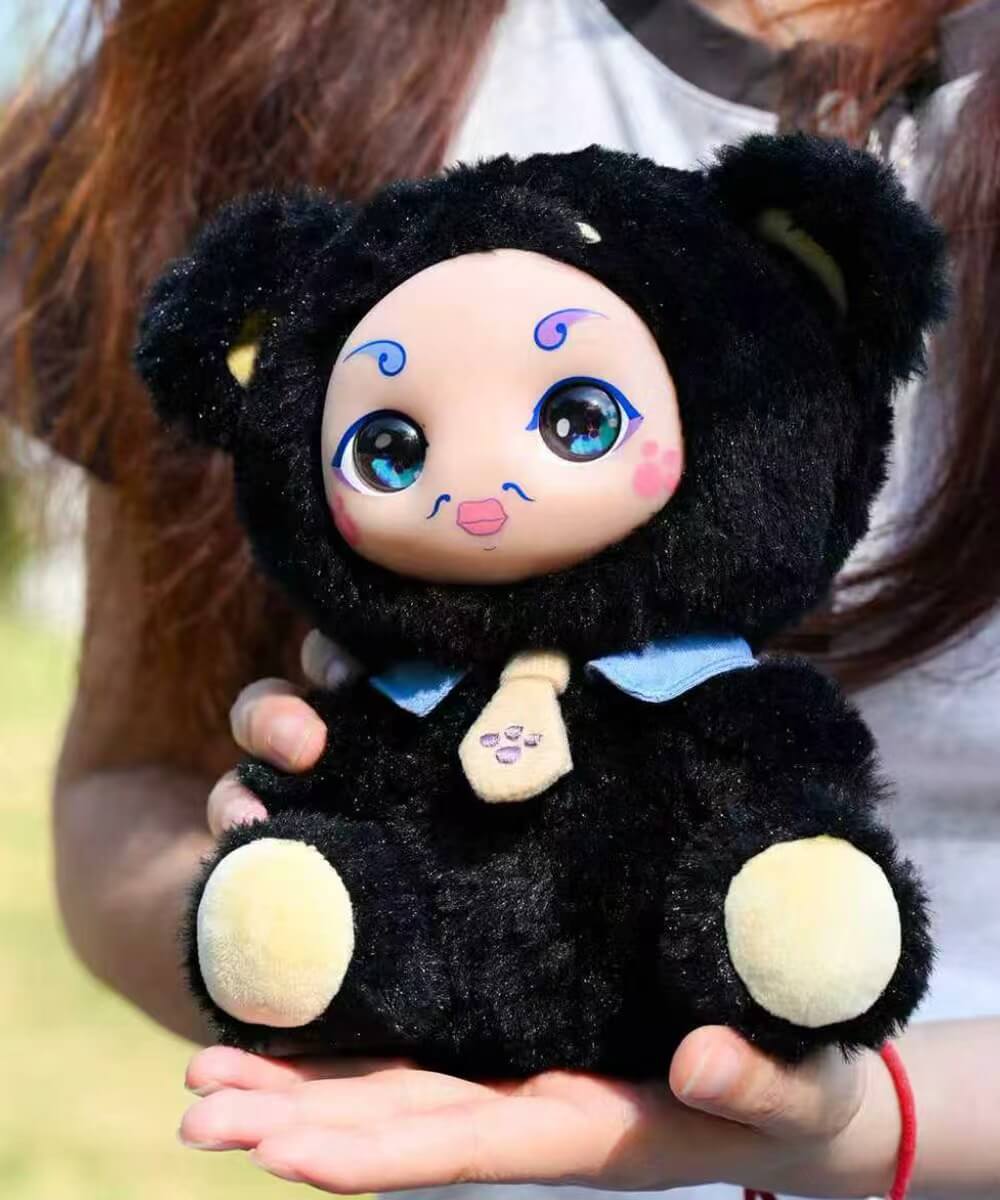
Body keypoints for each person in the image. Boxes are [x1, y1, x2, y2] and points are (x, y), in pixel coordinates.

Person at [3, 0, 999, 1196]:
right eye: (390, 449)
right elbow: (127, 781)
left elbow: (786, 764)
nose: (478, 491)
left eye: (576, 422)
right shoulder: (254, 39)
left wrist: (863, 1121)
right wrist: (285, 913)